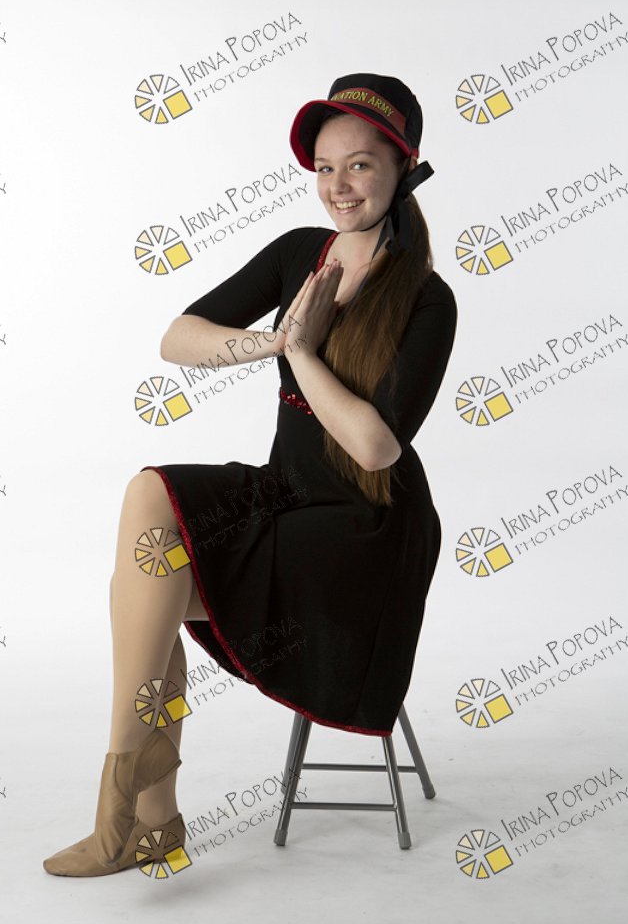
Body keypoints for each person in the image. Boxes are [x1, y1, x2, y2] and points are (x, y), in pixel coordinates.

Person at [43, 73, 458, 877]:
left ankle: (138, 814)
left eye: (361, 165)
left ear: (403, 168)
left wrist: (301, 350)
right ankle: (141, 805)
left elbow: (376, 448)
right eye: (326, 167)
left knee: (150, 587)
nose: (338, 185)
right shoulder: (299, 253)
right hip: (285, 491)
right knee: (149, 498)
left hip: (364, 525)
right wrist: (271, 340)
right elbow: (178, 336)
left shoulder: (427, 299)